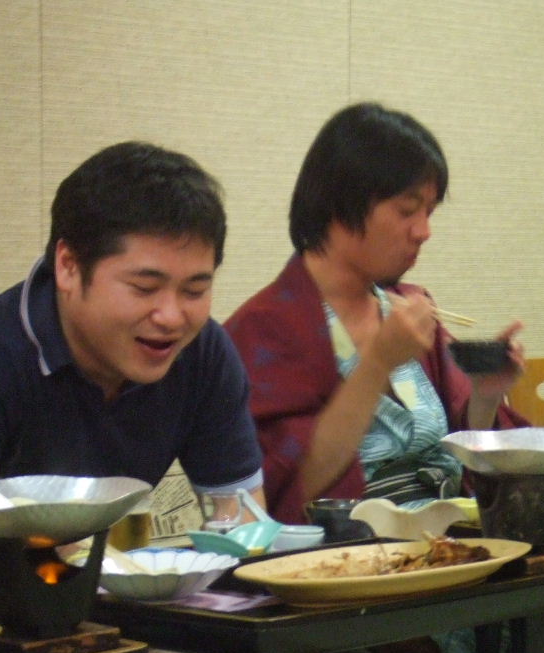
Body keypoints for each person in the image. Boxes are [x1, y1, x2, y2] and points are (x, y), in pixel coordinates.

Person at [0, 141, 315, 653]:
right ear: (68, 265)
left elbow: (239, 525)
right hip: (0, 625)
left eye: (195, 289)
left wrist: (200, 630)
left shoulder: (202, 356)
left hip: (93, 607)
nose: (172, 317)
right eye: (144, 287)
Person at [225, 102, 526, 524]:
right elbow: (288, 494)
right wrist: (378, 363)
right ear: (341, 203)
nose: (424, 231)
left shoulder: (409, 307)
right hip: (348, 551)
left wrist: (486, 396)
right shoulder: (263, 328)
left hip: (451, 537)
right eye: (407, 210)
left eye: (429, 212)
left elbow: (467, 463)